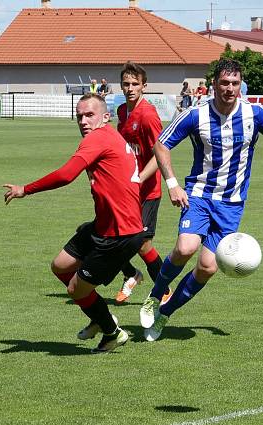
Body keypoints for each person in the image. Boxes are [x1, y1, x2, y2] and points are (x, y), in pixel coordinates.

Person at [139, 59, 263, 341]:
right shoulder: (195, 115)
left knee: (208, 267)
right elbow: (161, 145)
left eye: (235, 83)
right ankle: (155, 293)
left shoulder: (254, 114)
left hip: (232, 203)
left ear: (240, 86)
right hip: (198, 194)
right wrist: (172, 184)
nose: (229, 89)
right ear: (214, 85)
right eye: (224, 83)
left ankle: (164, 313)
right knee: (185, 248)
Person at [2, 93, 145, 353]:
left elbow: (67, 175)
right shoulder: (111, 136)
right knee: (60, 266)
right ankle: (100, 318)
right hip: (104, 225)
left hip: (119, 234)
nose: (83, 121)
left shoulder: (99, 137)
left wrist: (26, 189)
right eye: (79, 116)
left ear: (105, 117)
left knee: (75, 290)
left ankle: (112, 333)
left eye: (89, 115)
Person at [112, 62, 166, 304]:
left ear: (144, 86)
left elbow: (161, 153)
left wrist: (140, 178)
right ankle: (131, 274)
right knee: (111, 236)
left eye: (135, 84)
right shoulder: (122, 111)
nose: (130, 88)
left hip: (148, 190)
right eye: (126, 83)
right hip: (126, 190)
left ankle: (164, 290)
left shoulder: (148, 115)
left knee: (142, 243)